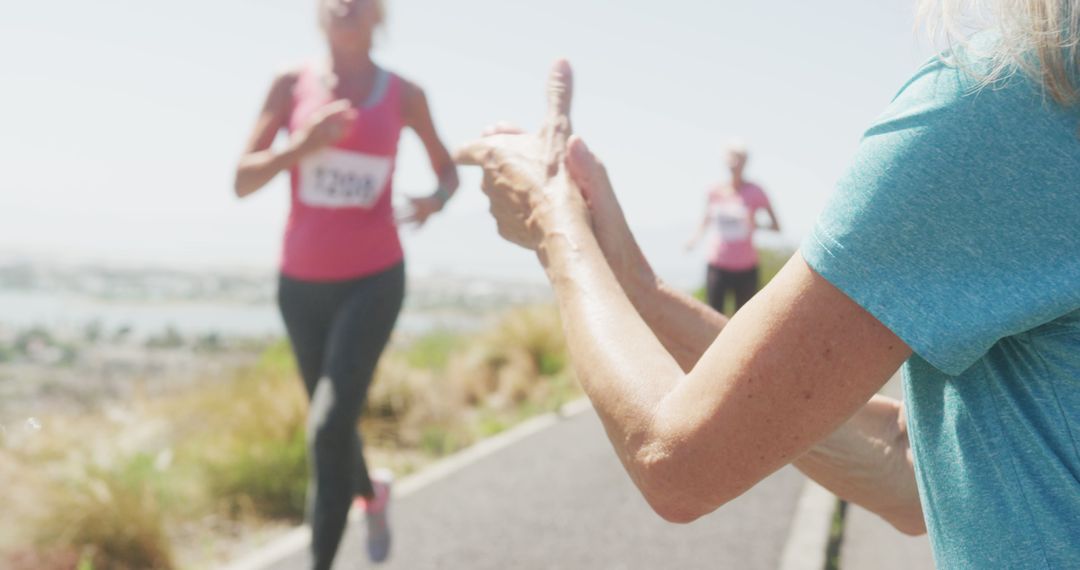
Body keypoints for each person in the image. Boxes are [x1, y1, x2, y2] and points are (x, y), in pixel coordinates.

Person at [454, 2, 1079, 567]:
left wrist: (553, 222)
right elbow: (914, 466)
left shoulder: (1010, 99)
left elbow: (676, 464)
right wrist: (633, 285)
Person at [233, 0, 458, 567]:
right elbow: (241, 180)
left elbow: (447, 170)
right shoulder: (290, 84)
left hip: (374, 279)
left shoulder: (406, 93)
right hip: (300, 286)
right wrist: (300, 146)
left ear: (379, 16)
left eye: (361, 1)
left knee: (329, 425)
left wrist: (435, 200)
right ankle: (371, 493)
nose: (346, 7)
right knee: (329, 424)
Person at [686, 143, 780, 315]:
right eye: (732, 158)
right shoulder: (713, 191)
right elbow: (705, 220)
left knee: (745, 318)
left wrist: (756, 224)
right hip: (718, 264)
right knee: (712, 316)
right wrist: (693, 240)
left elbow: (777, 227)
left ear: (745, 162)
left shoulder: (756, 191)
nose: (735, 163)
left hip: (746, 266)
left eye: (739, 158)